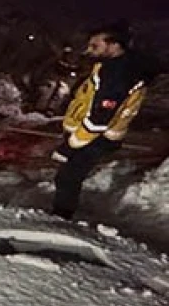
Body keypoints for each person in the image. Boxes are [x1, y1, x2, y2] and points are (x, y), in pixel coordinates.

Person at [52, 24, 152, 219]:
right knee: (67, 177)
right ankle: (61, 214)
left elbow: (100, 119)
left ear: (114, 45)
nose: (89, 50)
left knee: (68, 178)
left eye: (95, 46)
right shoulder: (113, 66)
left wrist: (70, 146)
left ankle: (60, 220)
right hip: (90, 134)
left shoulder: (119, 74)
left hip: (97, 136)